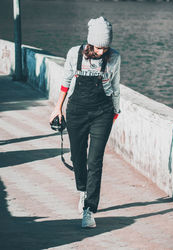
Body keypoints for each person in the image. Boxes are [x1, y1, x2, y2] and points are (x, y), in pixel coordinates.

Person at [50, 16, 121, 228]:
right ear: (90, 42)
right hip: (77, 111)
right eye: (98, 47)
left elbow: (115, 85)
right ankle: (82, 191)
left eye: (105, 47)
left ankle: (89, 209)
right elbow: (65, 81)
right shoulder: (74, 53)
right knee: (78, 157)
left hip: (103, 111)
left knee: (95, 160)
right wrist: (58, 107)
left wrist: (115, 110)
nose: (102, 52)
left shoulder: (114, 57)